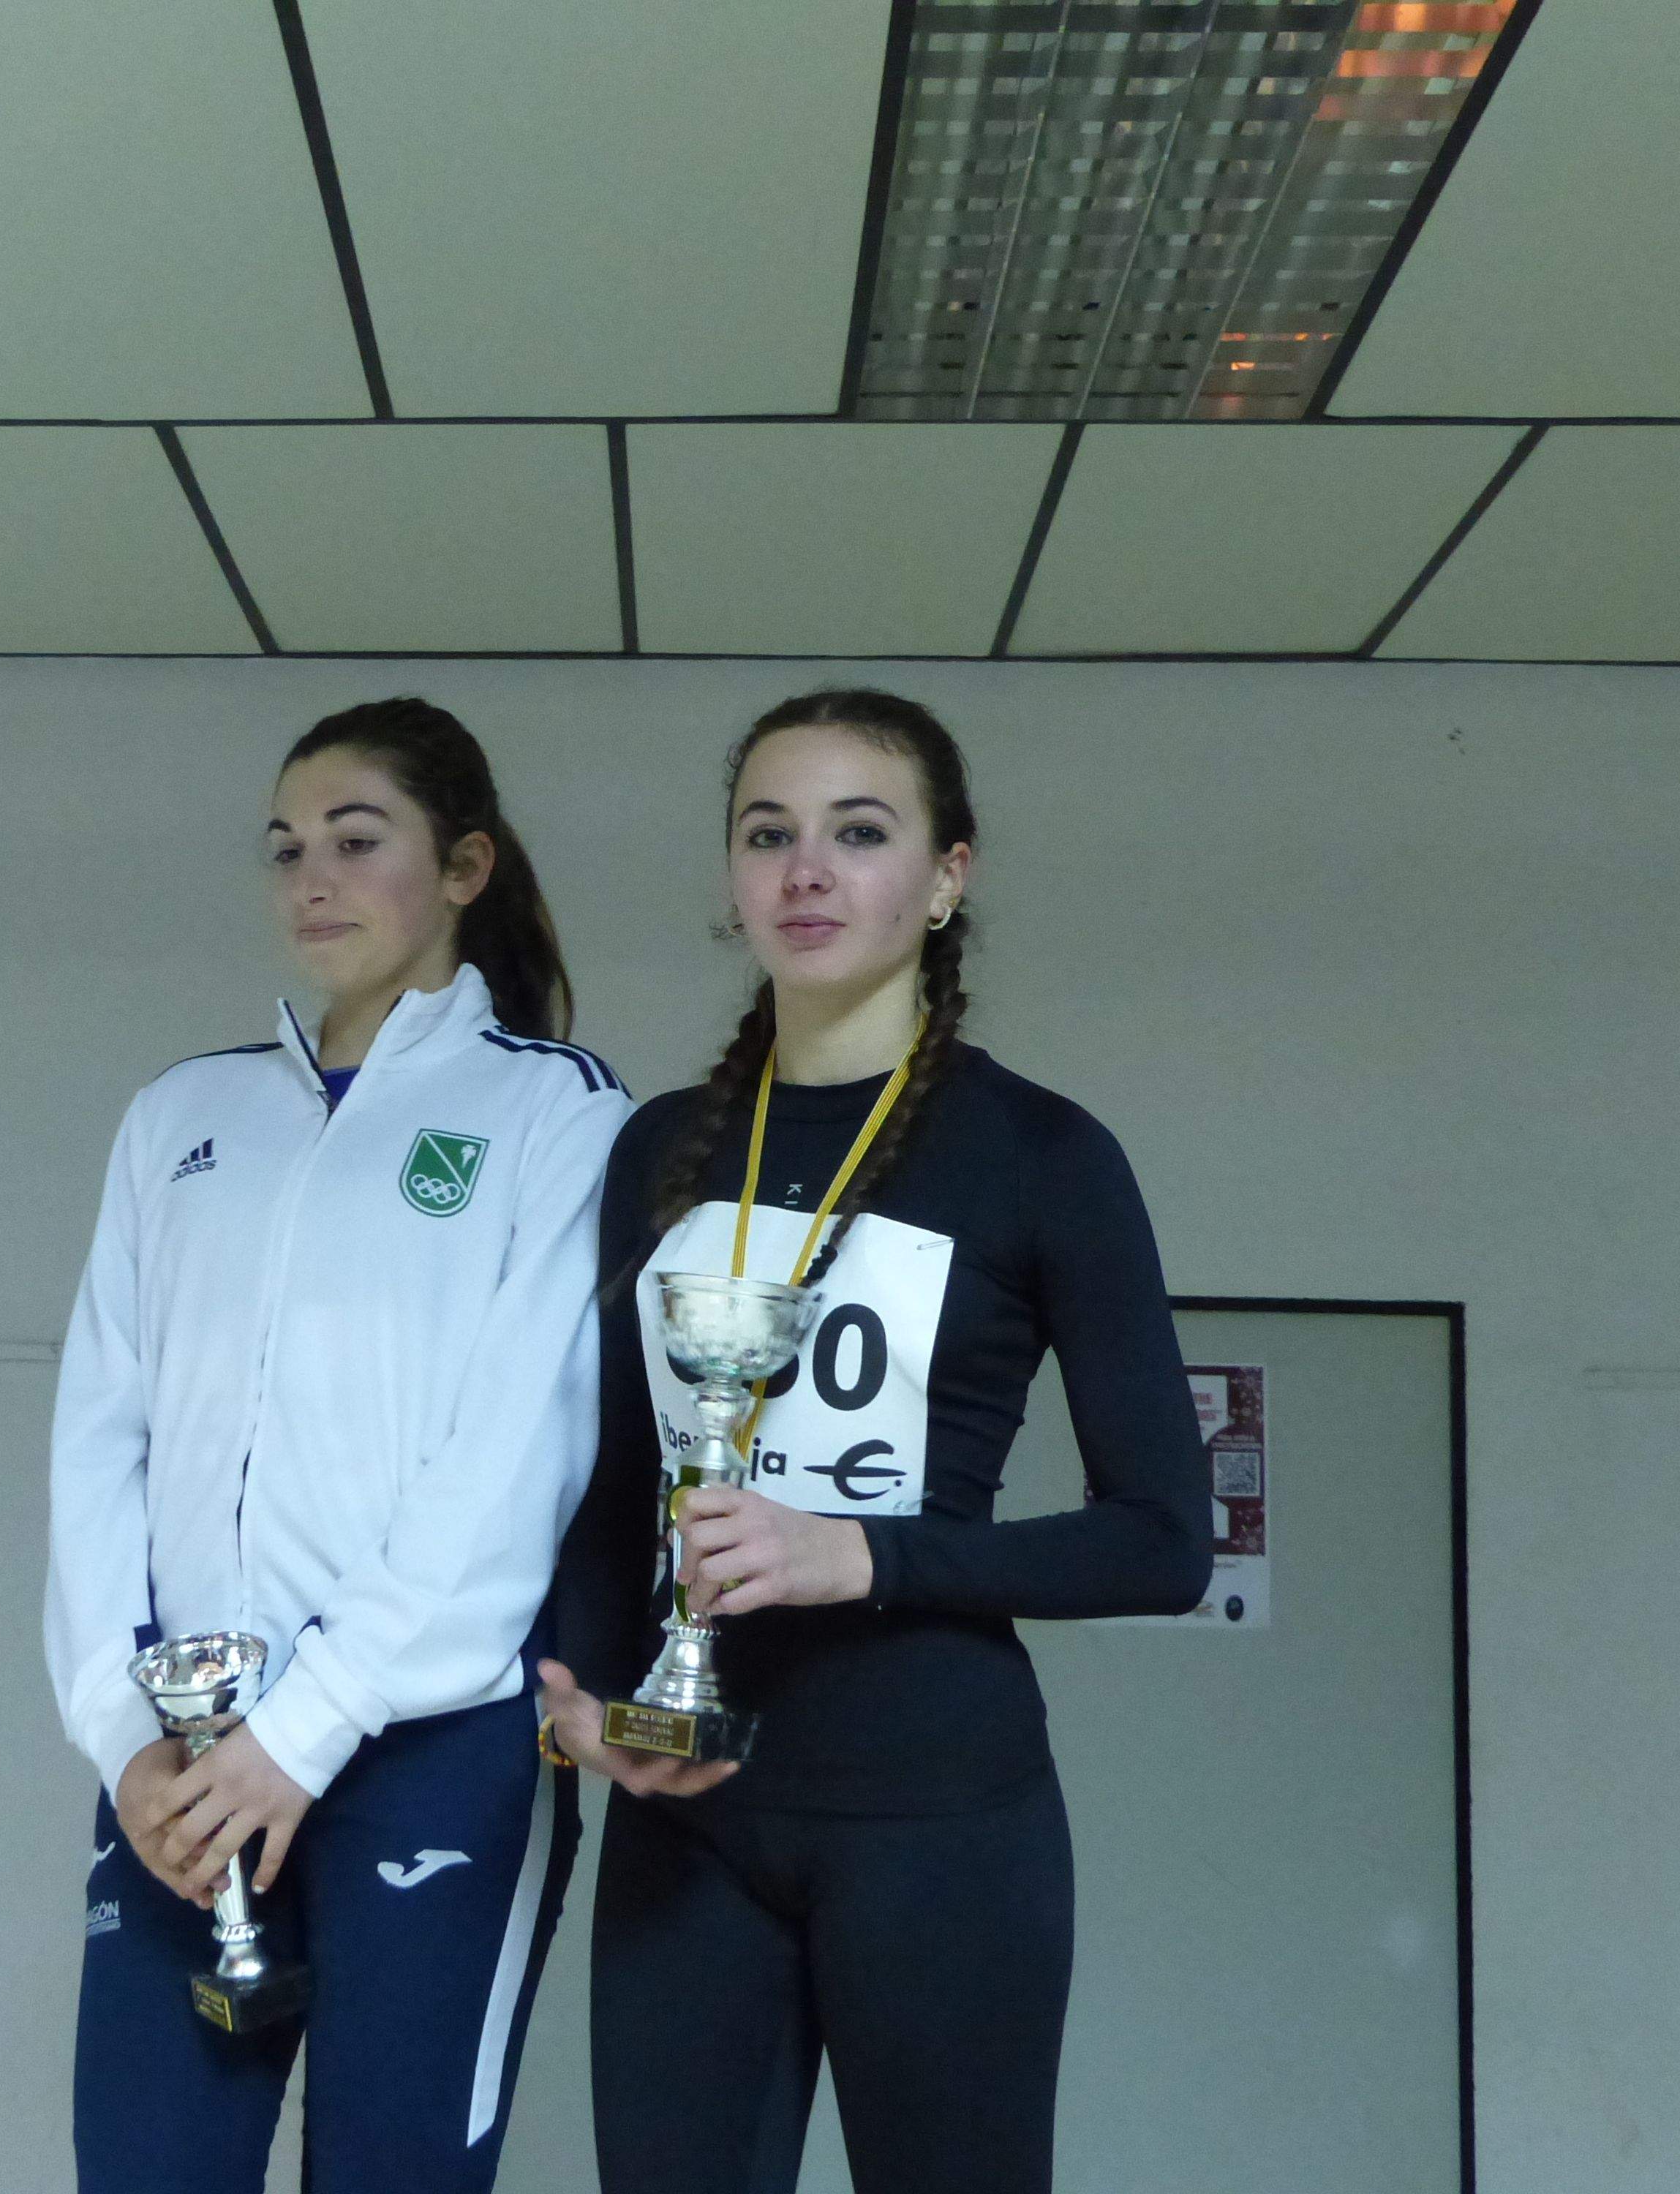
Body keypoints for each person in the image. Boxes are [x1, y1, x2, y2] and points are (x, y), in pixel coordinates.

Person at [540, 687, 1213, 2194]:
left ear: (946, 878)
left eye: (858, 833)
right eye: (766, 834)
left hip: (936, 1818)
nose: (804, 871)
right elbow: (611, 1491)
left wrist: (860, 1556)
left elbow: (1164, 1539)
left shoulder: (1042, 1155)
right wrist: (582, 1705)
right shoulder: (661, 1148)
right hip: (689, 1824)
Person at [45, 697, 630, 2193]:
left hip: (419, 1751)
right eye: (287, 847)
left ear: (463, 867)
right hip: (180, 1775)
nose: (312, 878)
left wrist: (302, 1736)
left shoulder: (551, 1117)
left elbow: (513, 1463)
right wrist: (123, 1735)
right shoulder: (181, 1117)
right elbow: (97, 1440)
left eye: (357, 840)